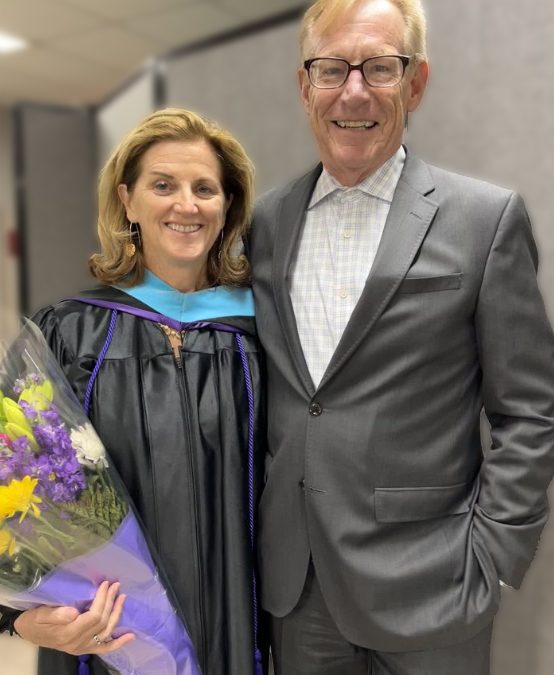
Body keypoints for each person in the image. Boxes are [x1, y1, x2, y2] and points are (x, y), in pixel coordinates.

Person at [248, 0, 554, 673]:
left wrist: (495, 557)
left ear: (415, 82)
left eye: (379, 67)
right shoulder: (265, 224)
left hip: (434, 590)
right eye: (332, 69)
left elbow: (529, 410)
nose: (353, 90)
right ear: (306, 86)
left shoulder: (485, 220)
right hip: (298, 591)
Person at [0, 108, 265, 675]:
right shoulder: (66, 332)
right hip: (106, 638)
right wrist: (17, 620)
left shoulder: (262, 336)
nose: (185, 205)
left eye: (205, 189)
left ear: (227, 208)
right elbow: (9, 488)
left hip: (240, 626)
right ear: (128, 200)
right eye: (162, 185)